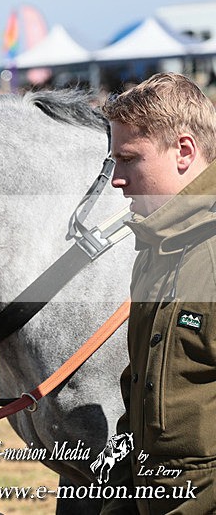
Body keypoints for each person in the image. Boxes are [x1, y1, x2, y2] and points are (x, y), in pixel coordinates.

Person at [101, 72, 216, 514]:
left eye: (129, 159)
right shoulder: (154, 250)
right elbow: (142, 399)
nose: (117, 178)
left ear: (184, 151)